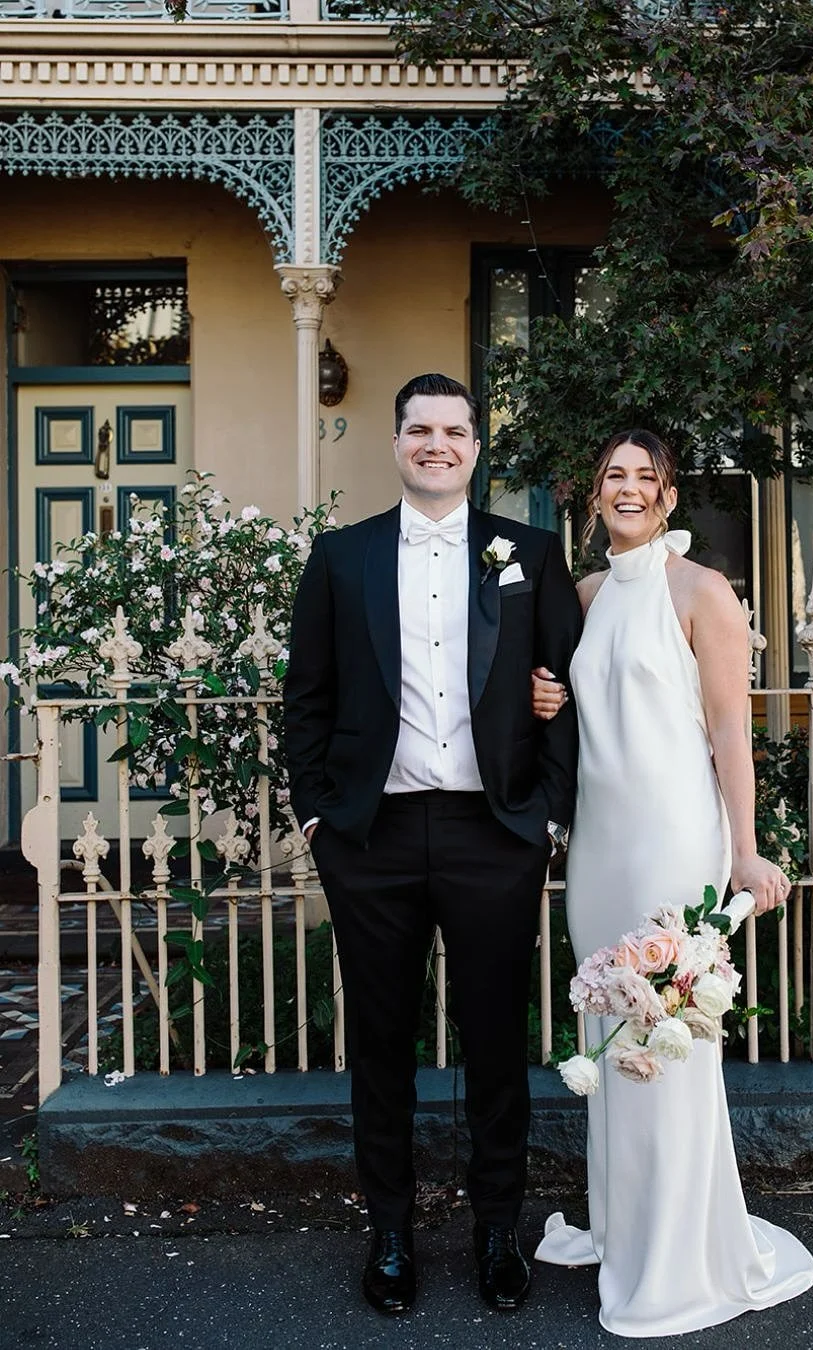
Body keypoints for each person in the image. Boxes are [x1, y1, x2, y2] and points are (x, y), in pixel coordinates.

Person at [283, 373, 581, 1317]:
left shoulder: (528, 551)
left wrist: (545, 814)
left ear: (477, 446)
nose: (438, 445)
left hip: (493, 832)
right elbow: (308, 698)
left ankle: (498, 1229)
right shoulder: (342, 557)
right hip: (371, 835)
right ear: (398, 441)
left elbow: (568, 691)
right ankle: (392, 1236)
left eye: (455, 431)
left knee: (495, 1039)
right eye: (422, 430)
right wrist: (319, 818)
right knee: (380, 1042)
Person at [530, 430, 813, 1337]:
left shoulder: (703, 591)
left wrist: (744, 848)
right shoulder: (578, 597)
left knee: (666, 1036)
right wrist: (548, 698)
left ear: (668, 495)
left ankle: (678, 1253)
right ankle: (624, 1227)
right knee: (608, 1035)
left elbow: (730, 731)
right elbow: (575, 708)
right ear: (593, 495)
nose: (626, 488)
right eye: (611, 475)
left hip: (673, 844)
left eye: (643, 477)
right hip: (599, 847)